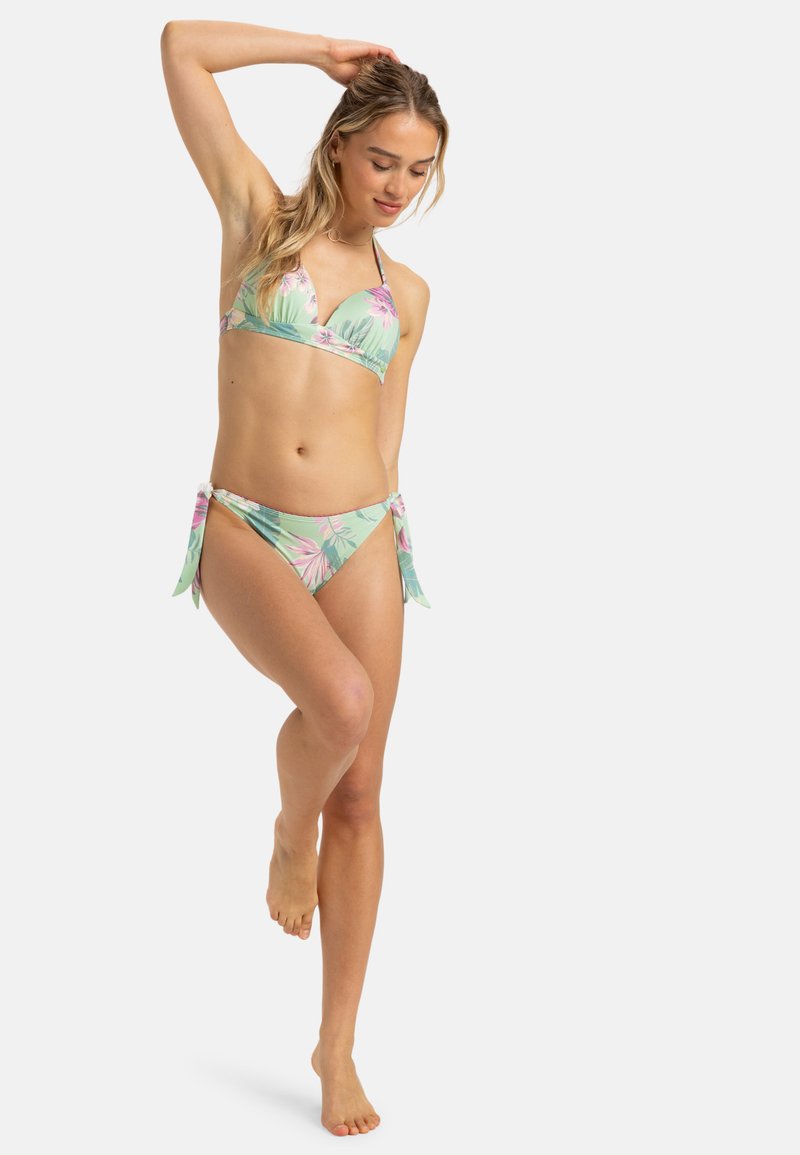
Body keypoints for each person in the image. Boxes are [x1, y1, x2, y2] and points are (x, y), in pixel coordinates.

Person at [160, 20, 448, 1138]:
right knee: (338, 704)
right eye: (381, 159)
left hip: (363, 530)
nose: (397, 187)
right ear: (338, 145)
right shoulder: (256, 220)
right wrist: (318, 51)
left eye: (418, 170)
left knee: (365, 793)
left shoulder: (407, 294)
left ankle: (336, 1046)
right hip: (248, 523)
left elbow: (387, 434)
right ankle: (290, 832)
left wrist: (380, 535)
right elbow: (181, 46)